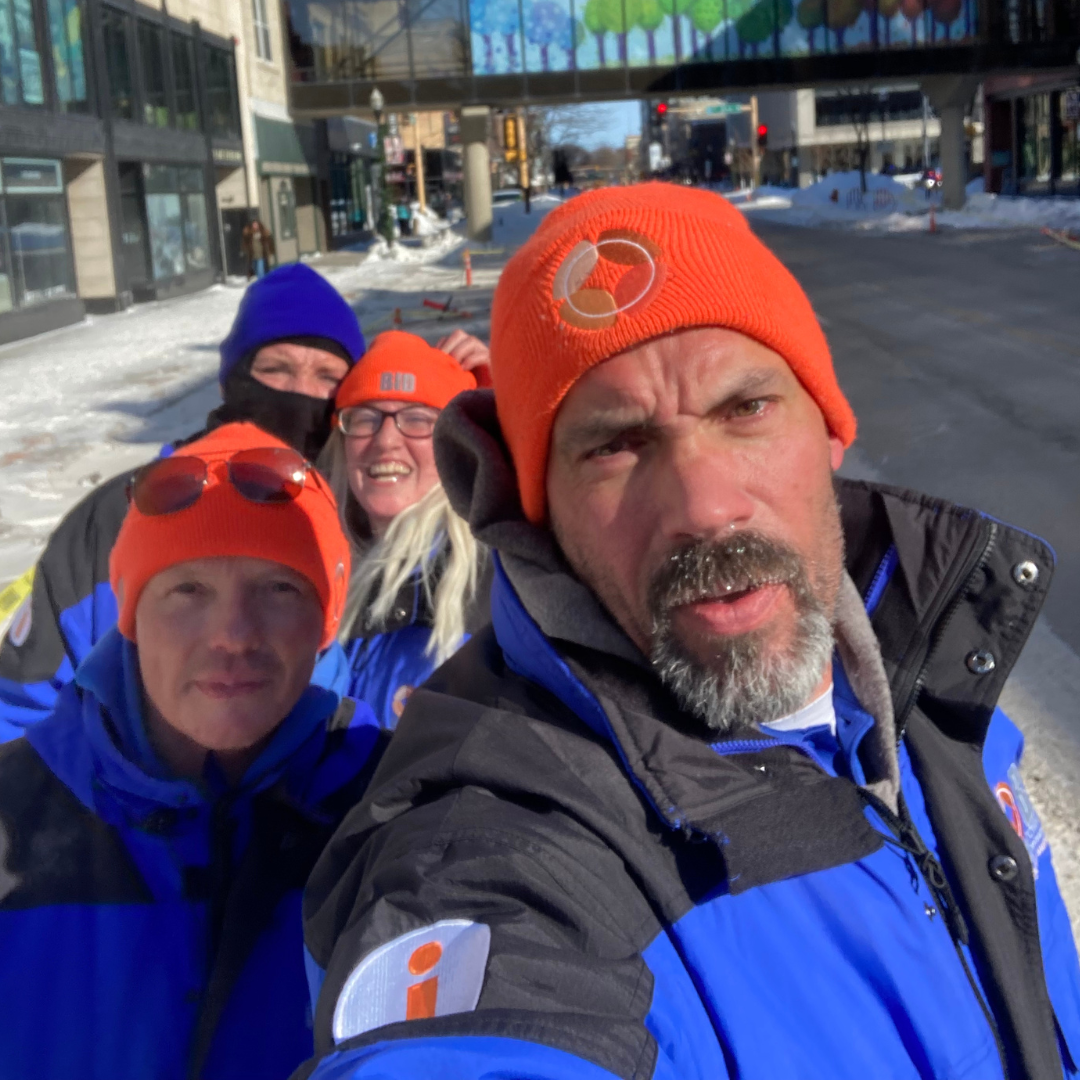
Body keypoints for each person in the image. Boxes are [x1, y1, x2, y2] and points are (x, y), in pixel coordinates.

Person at [299, 185, 1080, 1079]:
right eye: (615, 445)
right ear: (537, 508)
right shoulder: (494, 845)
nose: (706, 507)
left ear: (828, 430)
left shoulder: (929, 681)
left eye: (744, 409)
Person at [0, 421, 385, 1080]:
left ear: (324, 623)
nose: (233, 634)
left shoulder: (395, 810)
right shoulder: (12, 816)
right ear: (131, 613)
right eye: (188, 590)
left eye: (278, 589)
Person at [0, 263, 364, 738]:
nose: (299, 393)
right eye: (275, 369)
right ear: (228, 383)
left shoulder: (361, 516)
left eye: (327, 377)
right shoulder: (124, 516)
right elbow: (20, 712)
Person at [324, 330, 491, 728]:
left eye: (417, 419)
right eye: (364, 418)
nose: (385, 441)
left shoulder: (493, 580)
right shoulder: (321, 574)